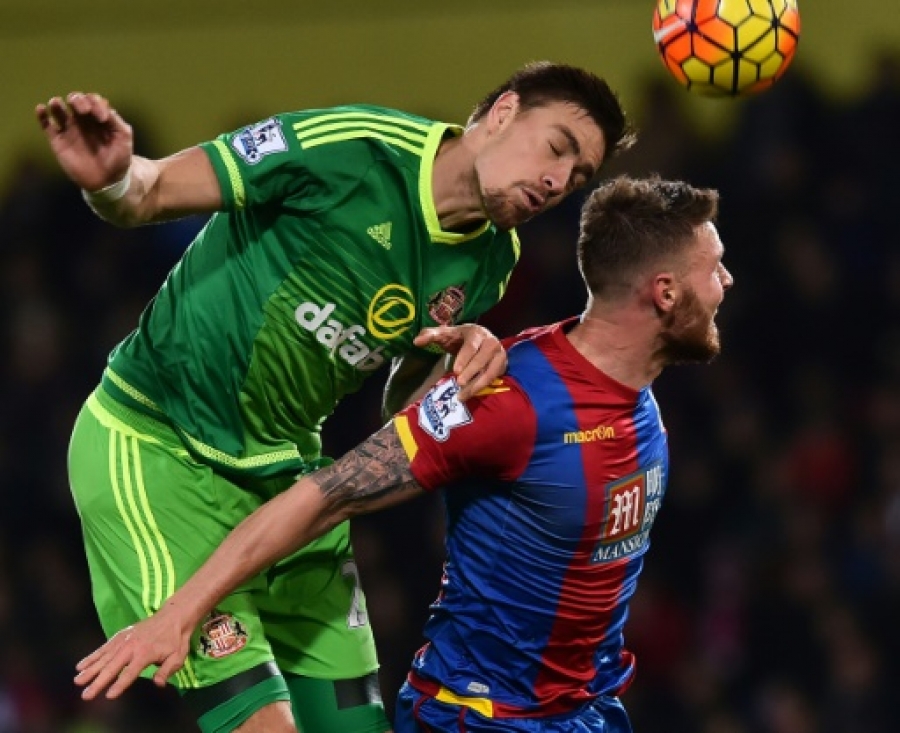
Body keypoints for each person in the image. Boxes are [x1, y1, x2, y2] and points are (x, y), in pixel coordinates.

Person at [37, 61, 633, 733]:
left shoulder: (492, 261)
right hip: (159, 450)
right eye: (556, 148)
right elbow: (146, 193)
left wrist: (454, 364)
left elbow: (399, 408)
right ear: (502, 113)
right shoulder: (353, 149)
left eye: (578, 177)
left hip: (285, 486)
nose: (557, 182)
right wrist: (114, 178)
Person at [73, 175, 733, 732]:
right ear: (665, 291)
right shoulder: (511, 400)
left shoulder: (634, 391)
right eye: (714, 268)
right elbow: (327, 495)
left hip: (586, 712)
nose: (727, 281)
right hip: (482, 716)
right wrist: (181, 611)